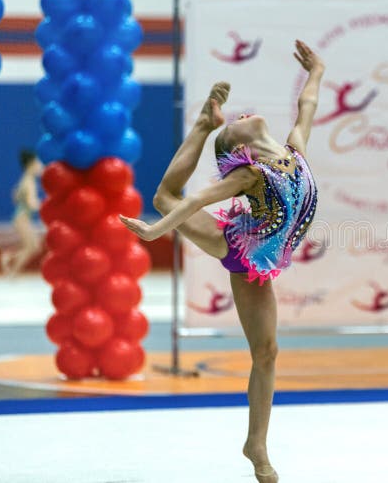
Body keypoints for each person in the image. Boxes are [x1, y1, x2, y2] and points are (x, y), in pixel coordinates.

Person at [120, 40, 323, 483]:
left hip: (265, 254)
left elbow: (307, 106)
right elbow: (196, 198)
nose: (245, 114)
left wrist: (317, 71)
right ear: (241, 147)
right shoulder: (248, 174)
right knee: (163, 199)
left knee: (266, 353)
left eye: (239, 117)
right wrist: (158, 230)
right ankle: (201, 127)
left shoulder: (295, 151)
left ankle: (255, 444)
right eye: (237, 122)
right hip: (242, 249)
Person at [0, 150, 43, 277]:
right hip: (22, 219)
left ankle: (8, 257)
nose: (40, 165)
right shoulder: (30, 182)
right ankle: (12, 271)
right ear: (31, 164)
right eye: (37, 162)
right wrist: (46, 206)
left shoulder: (26, 179)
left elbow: (15, 196)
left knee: (34, 246)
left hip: (22, 218)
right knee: (31, 247)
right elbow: (31, 204)